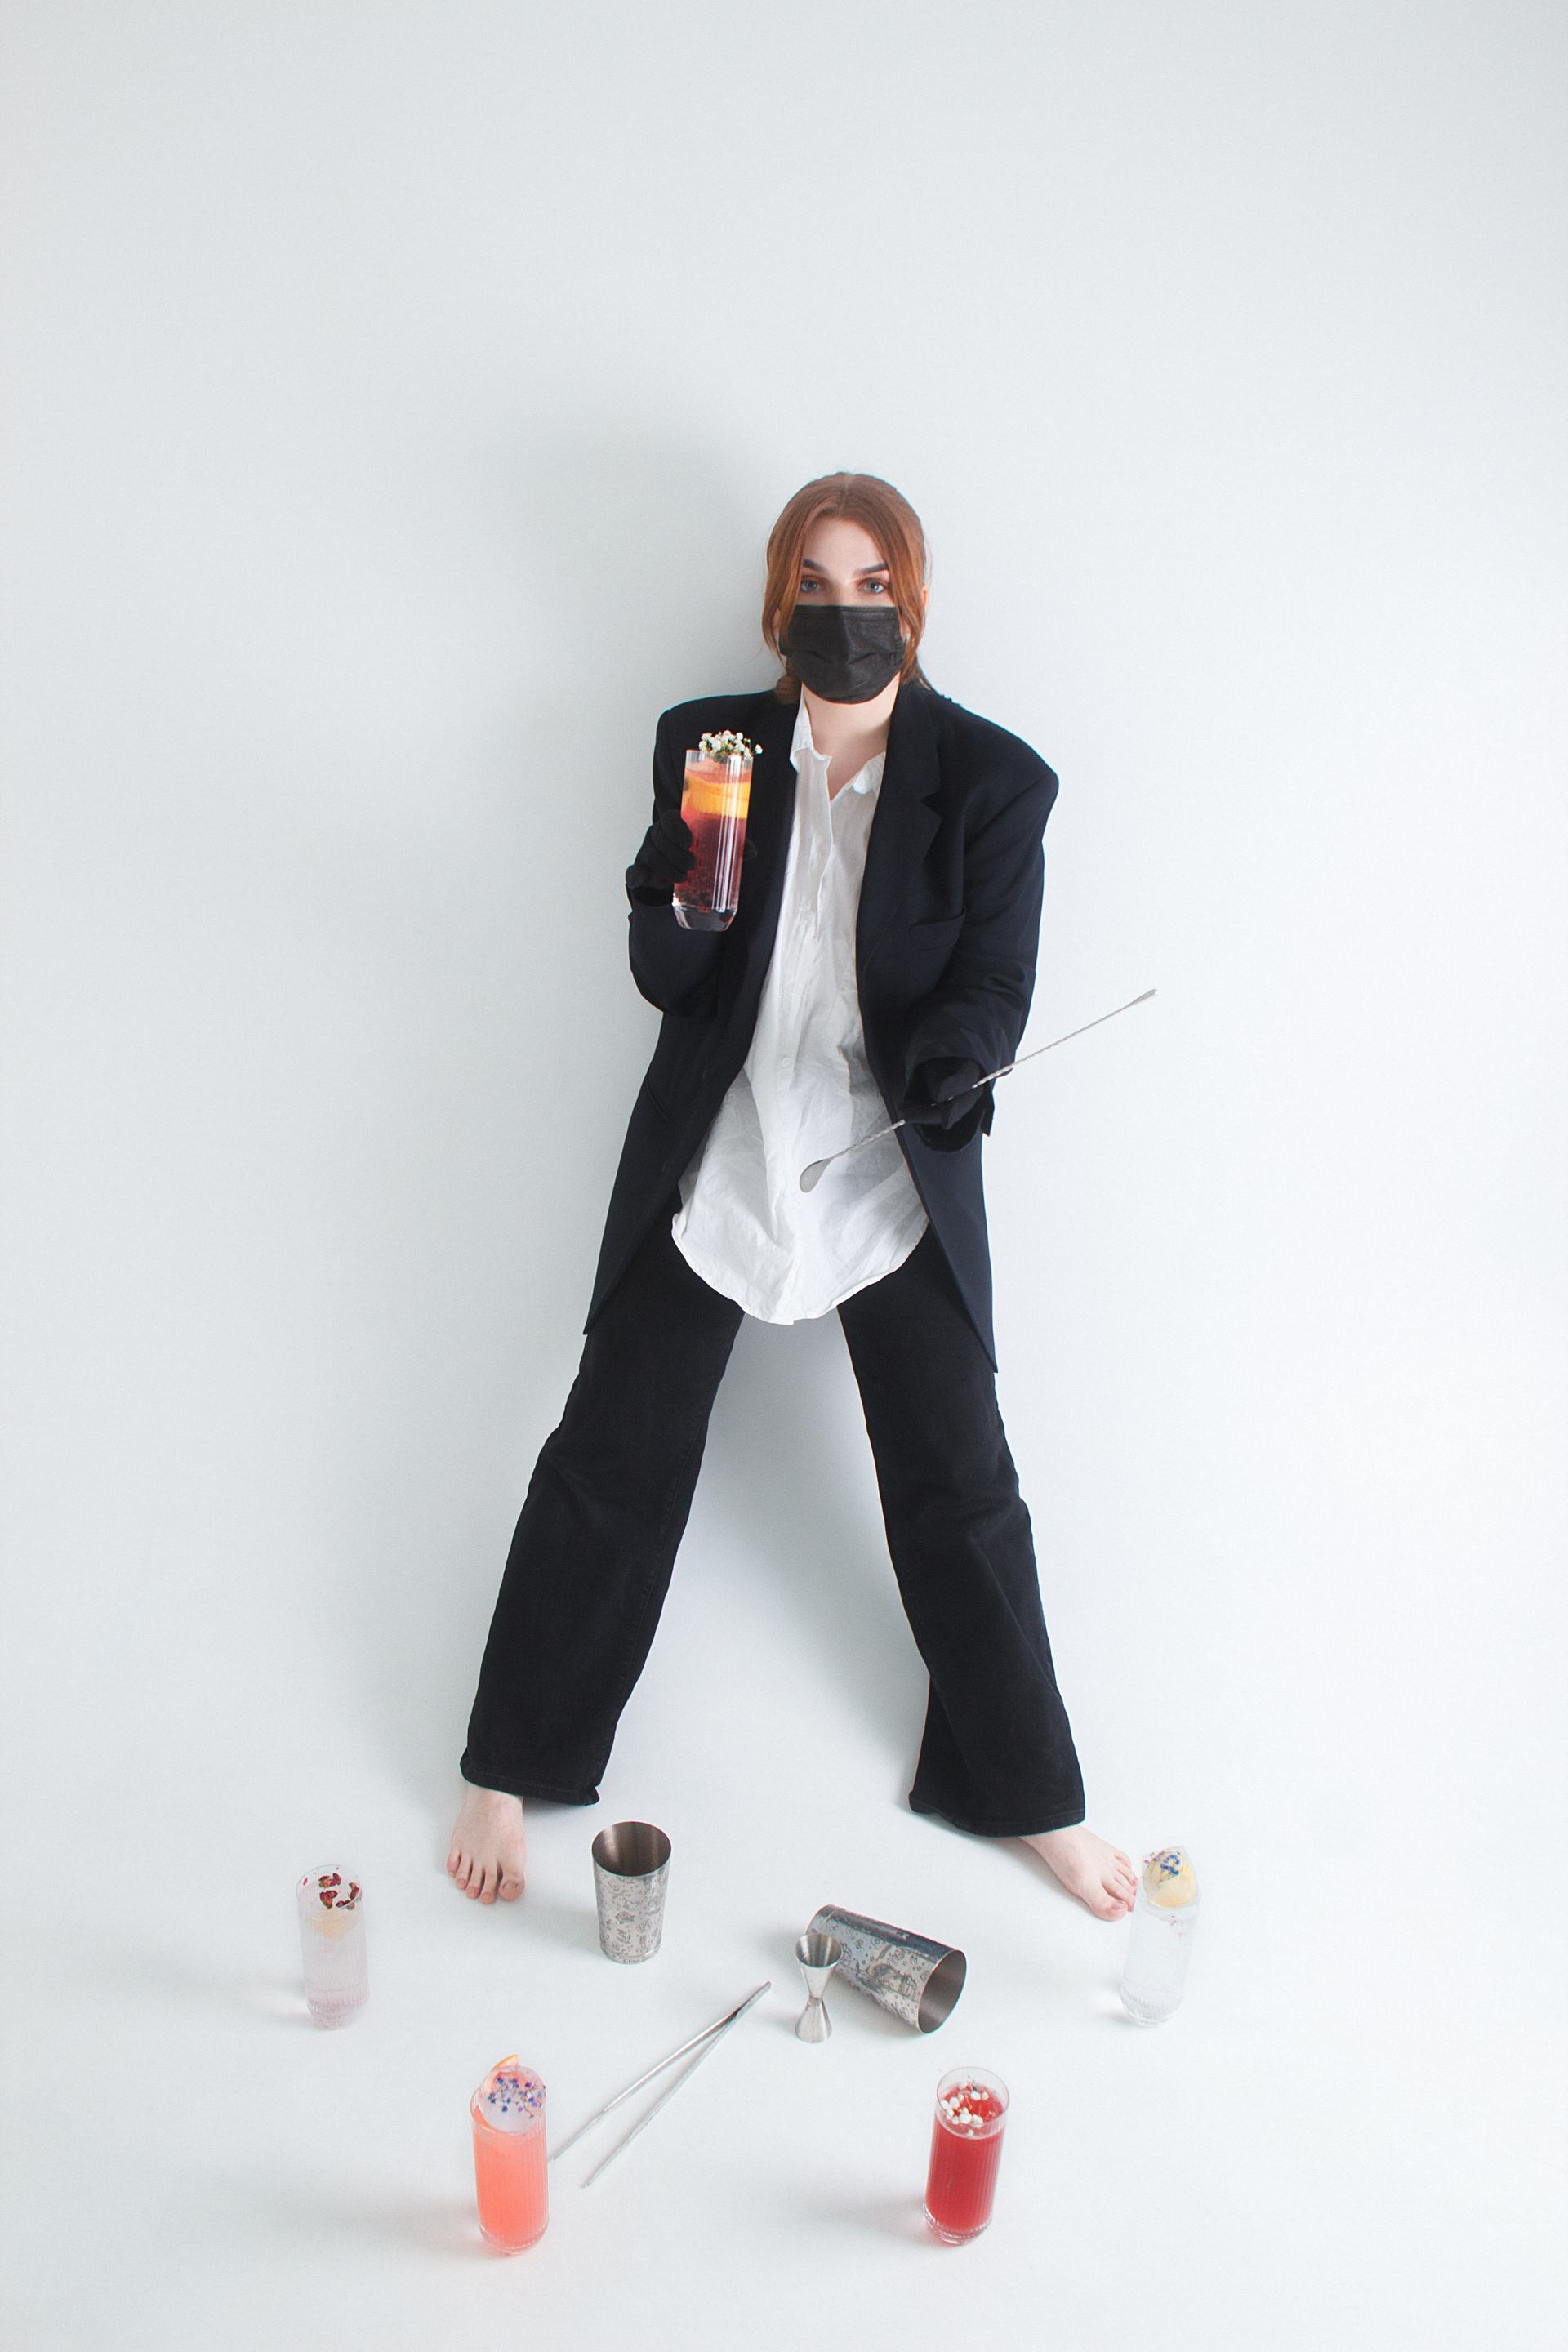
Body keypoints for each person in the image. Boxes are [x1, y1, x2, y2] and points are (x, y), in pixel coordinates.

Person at [448, 472, 1134, 1922]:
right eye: (817, 585)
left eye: (872, 586)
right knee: (607, 1463)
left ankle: (1031, 1798)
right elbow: (669, 979)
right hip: (725, 1153)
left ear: (914, 600)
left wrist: (952, 1064)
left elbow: (994, 979)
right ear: (779, 599)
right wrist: (686, 897)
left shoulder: (995, 782)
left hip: (887, 1172)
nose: (845, 612)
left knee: (961, 1489)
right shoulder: (710, 748)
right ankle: (509, 1763)